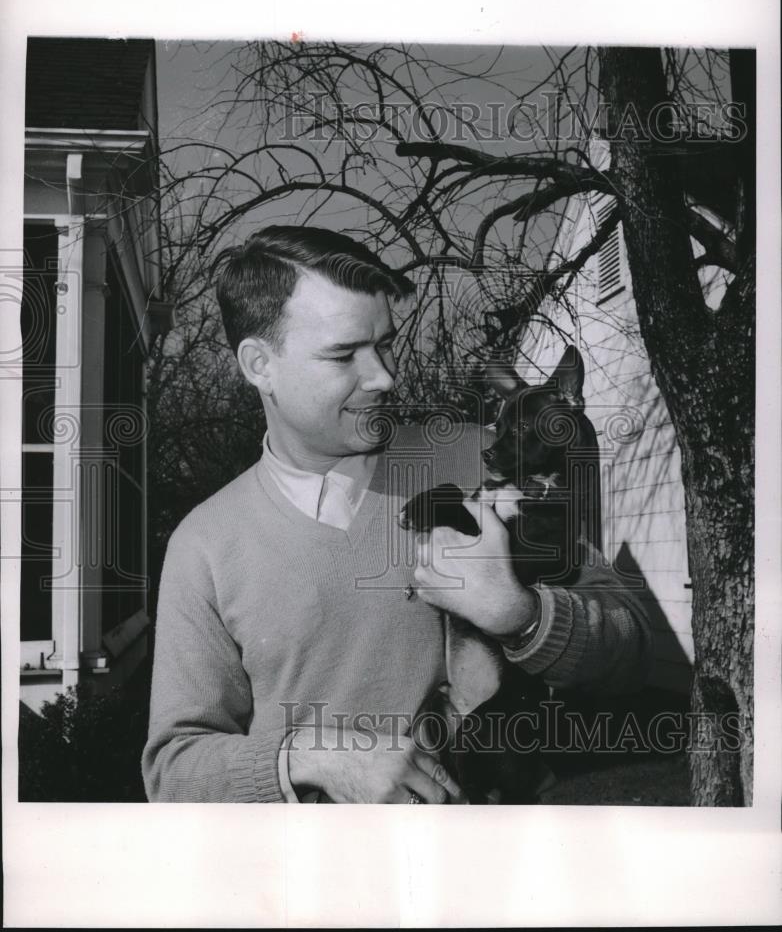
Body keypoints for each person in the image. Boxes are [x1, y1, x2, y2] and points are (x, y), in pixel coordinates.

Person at [142, 225, 653, 804]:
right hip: (312, 886)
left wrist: (523, 615)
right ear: (260, 364)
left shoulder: (485, 459)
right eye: (343, 355)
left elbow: (631, 649)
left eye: (383, 343)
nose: (385, 375)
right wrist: (313, 758)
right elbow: (174, 772)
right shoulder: (205, 543)